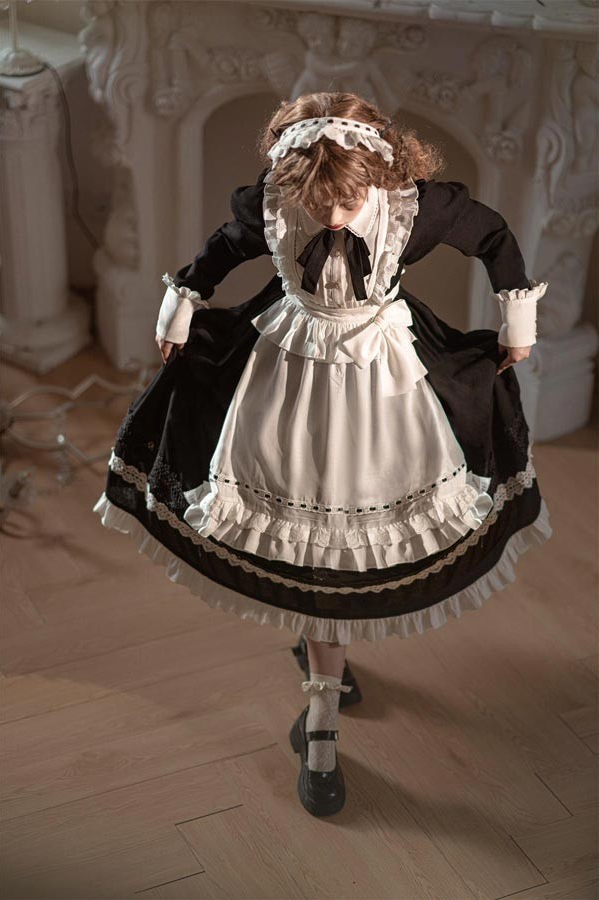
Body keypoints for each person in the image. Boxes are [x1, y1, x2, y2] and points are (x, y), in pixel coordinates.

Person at [93, 91, 552, 818]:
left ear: (380, 174)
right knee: (303, 525)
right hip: (288, 369)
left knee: (354, 525)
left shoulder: (413, 210)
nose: (332, 218)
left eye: (345, 202)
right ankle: (323, 705)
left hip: (384, 381)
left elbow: (492, 235)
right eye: (317, 204)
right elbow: (221, 250)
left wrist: (516, 320)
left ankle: (324, 683)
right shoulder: (277, 203)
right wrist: (179, 306)